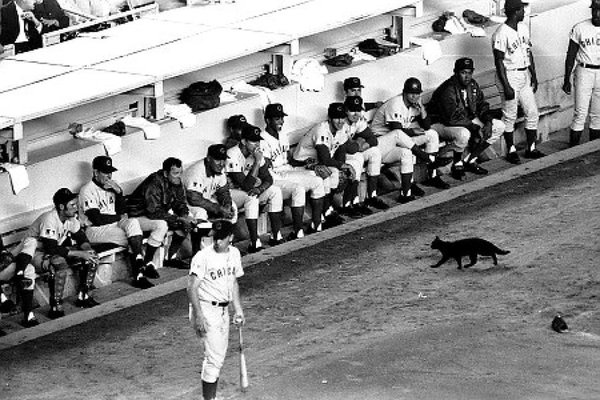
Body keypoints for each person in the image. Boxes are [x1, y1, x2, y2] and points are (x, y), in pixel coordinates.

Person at [79, 156, 166, 290]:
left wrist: (119, 193)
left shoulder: (112, 185)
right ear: (96, 172)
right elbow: (97, 219)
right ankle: (139, 272)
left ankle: (141, 264)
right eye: (105, 172)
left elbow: (123, 210)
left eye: (110, 172)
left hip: (113, 225)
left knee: (133, 224)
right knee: (133, 237)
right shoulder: (87, 190)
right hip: (95, 230)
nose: (109, 175)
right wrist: (119, 217)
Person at [187, 219, 244, 400]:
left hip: (223, 310)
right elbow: (191, 287)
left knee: (218, 355)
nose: (217, 242)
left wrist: (238, 309)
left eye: (221, 238)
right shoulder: (202, 257)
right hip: (205, 308)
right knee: (214, 359)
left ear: (231, 237)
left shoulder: (234, 253)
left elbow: (233, 281)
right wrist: (198, 315)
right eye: (215, 238)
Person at [370, 77, 450, 203]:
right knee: (402, 141)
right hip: (382, 141)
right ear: (404, 92)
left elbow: (427, 126)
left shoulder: (415, 104)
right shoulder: (395, 103)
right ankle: (429, 159)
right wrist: (413, 132)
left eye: (417, 93)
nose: (414, 97)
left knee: (431, 134)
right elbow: (395, 129)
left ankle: (432, 175)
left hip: (401, 140)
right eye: (411, 94)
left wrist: (422, 109)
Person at [25, 188, 100, 318]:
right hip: (33, 252)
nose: (75, 208)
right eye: (72, 205)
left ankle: (84, 295)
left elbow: (81, 238)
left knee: (92, 256)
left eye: (75, 204)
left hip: (53, 250)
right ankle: (55, 306)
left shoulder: (71, 218)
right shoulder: (50, 218)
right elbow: (51, 248)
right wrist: (80, 254)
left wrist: (88, 250)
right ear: (61, 206)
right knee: (58, 264)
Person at [429, 57, 506, 179]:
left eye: (469, 73)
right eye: (463, 73)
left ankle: (470, 159)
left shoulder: (472, 85)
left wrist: (488, 122)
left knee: (499, 126)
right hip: (441, 124)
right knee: (464, 134)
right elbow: (451, 118)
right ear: (456, 72)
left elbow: (482, 105)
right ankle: (457, 164)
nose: (467, 76)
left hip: (464, 119)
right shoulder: (448, 89)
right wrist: (474, 127)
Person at [261, 103, 326, 237]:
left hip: (288, 170)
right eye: (277, 118)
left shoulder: (283, 135)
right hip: (276, 175)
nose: (281, 121)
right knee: (298, 189)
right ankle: (298, 230)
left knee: (318, 180)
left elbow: (290, 160)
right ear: (268, 120)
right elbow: (265, 166)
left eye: (282, 118)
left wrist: (307, 163)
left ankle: (317, 223)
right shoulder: (262, 139)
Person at [492, 0, 545, 164]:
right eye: (522, 9)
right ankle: (511, 150)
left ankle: (531, 148)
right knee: (510, 116)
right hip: (509, 75)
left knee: (532, 112)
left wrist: (533, 74)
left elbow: (529, 53)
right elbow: (499, 61)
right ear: (515, 11)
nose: (524, 12)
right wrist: (506, 85)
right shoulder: (501, 32)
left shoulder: (523, 28)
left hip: (523, 74)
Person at [292, 103, 359, 224]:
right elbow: (325, 159)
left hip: (316, 162)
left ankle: (328, 210)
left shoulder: (341, 129)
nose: (340, 121)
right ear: (329, 118)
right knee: (329, 173)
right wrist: (344, 166)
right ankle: (325, 212)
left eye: (342, 117)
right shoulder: (321, 130)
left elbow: (341, 152)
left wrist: (342, 170)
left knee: (335, 172)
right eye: (337, 118)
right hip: (301, 163)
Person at [127, 157, 196, 269]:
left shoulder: (176, 181)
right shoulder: (153, 183)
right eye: (175, 173)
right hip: (137, 216)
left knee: (187, 222)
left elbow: (180, 203)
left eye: (180, 173)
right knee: (162, 225)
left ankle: (171, 257)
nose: (179, 176)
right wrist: (178, 219)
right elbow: (153, 212)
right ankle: (147, 262)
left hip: (155, 214)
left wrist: (184, 216)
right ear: (165, 173)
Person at [226, 124, 285, 253]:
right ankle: (254, 242)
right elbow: (245, 185)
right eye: (253, 141)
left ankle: (276, 235)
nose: (257, 144)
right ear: (243, 141)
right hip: (230, 192)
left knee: (275, 191)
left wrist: (260, 189)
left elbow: (269, 179)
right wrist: (257, 163)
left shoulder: (257, 153)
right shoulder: (232, 154)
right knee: (251, 197)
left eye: (258, 140)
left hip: (247, 188)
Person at [184, 144, 237, 254]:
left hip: (204, 200)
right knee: (201, 213)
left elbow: (224, 192)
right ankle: (198, 253)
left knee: (233, 207)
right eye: (218, 160)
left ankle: (224, 246)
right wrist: (217, 209)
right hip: (186, 204)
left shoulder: (219, 171)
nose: (221, 164)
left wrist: (226, 205)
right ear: (209, 158)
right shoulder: (196, 171)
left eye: (223, 160)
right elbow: (193, 198)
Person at [563, 0, 600, 146]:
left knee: (597, 116)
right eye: (594, 10)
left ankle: (593, 150)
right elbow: (571, 55)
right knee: (580, 114)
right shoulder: (580, 27)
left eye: (599, 10)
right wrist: (566, 79)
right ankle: (572, 150)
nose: (596, 14)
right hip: (584, 71)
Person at [342, 96, 389, 212]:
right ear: (346, 110)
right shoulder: (340, 122)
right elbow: (349, 148)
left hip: (351, 151)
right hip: (338, 155)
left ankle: (371, 196)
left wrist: (362, 144)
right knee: (357, 160)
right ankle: (350, 203)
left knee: (375, 152)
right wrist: (359, 143)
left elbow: (373, 139)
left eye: (358, 110)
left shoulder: (358, 120)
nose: (356, 113)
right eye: (352, 110)